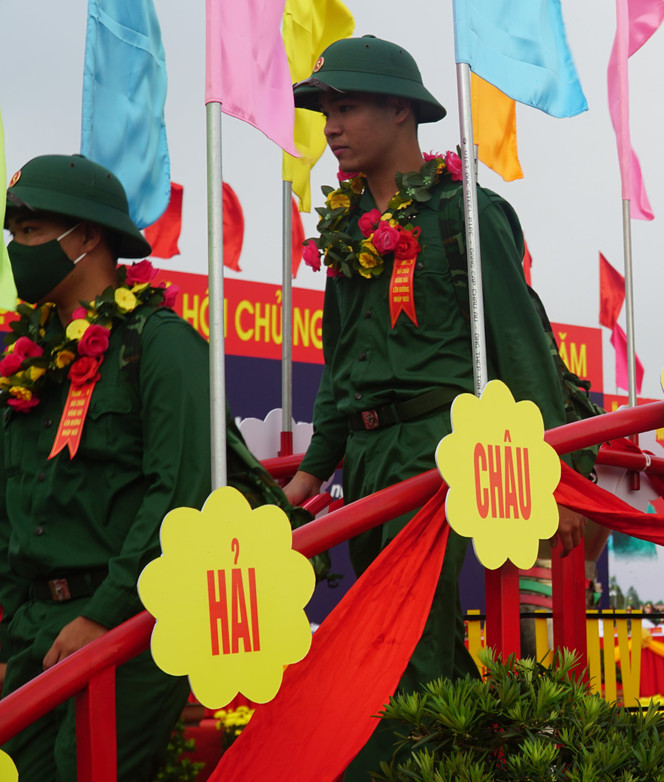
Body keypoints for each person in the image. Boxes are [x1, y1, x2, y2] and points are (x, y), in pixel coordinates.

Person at [283, 35, 584, 779]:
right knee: (407, 639)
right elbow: (341, 367)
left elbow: (523, 349)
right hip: (369, 456)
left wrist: (562, 477)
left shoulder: (466, 213)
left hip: (446, 449)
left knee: (403, 632)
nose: (331, 127)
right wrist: (308, 477)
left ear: (400, 111)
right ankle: (493, 762)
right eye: (324, 110)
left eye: (346, 107)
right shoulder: (346, 232)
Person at [0, 155, 209, 779]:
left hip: (128, 618)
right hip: (33, 625)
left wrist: (105, 613)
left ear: (87, 236)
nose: (17, 248)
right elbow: (13, 503)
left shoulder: (161, 343)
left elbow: (179, 494)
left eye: (32, 232)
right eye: (14, 234)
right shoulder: (24, 359)